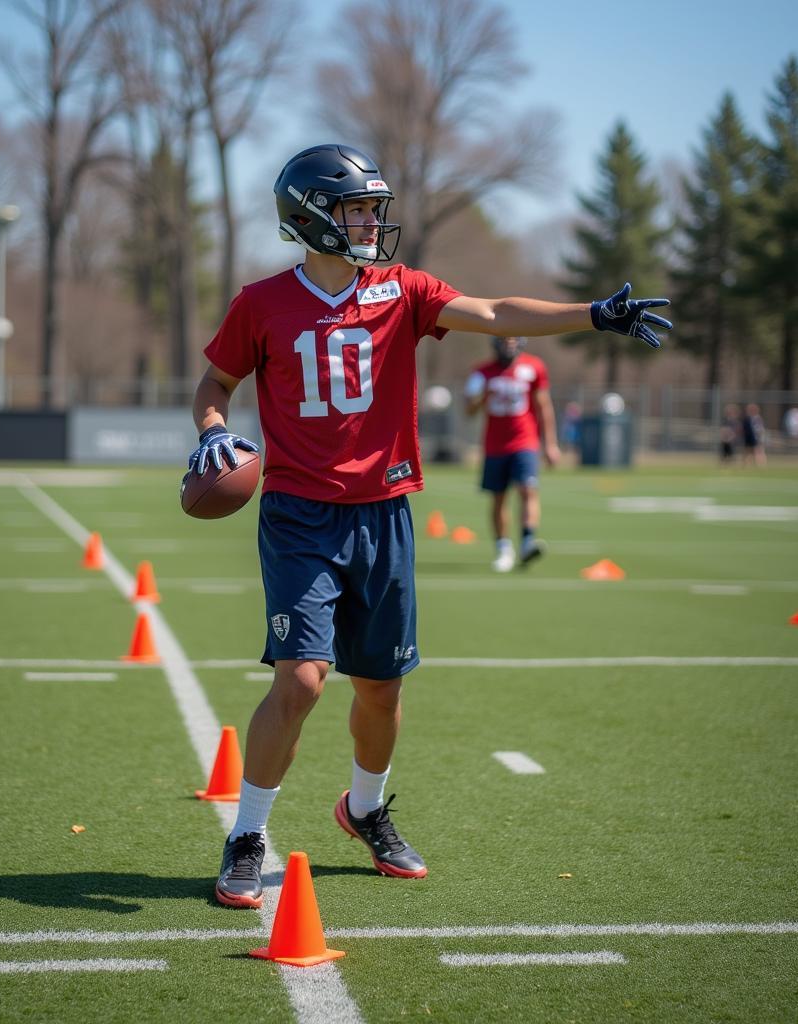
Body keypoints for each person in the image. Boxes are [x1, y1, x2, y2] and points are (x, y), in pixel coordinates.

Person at [184, 144, 672, 909]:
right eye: (356, 208)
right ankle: (248, 833)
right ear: (313, 217)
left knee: (380, 689)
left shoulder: (402, 291)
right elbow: (215, 382)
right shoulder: (262, 303)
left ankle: (366, 810)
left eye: (373, 206)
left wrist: (592, 315)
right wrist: (213, 429)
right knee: (303, 679)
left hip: (384, 513)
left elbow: (493, 312)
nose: (372, 220)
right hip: (300, 516)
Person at [464, 336, 560, 572]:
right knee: (499, 498)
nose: (509, 345)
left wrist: (550, 443)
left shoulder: (533, 367)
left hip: (525, 441)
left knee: (528, 489)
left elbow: (543, 406)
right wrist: (483, 397)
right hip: (495, 445)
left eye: (513, 340)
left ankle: (528, 541)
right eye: (504, 341)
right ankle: (503, 548)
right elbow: (469, 410)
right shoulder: (482, 372)